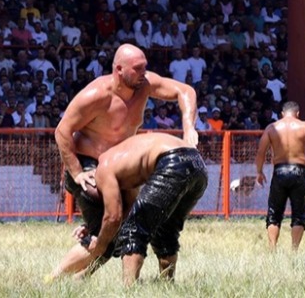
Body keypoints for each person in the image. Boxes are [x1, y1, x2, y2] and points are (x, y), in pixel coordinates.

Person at [50, 43, 198, 278]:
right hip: (89, 166)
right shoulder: (96, 94)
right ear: (119, 69)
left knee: (122, 229)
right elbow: (62, 131)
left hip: (118, 169)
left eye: (145, 67)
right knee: (107, 229)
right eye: (137, 69)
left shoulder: (145, 85)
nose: (143, 73)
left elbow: (186, 91)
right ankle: (53, 279)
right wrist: (77, 172)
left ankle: (80, 274)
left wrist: (188, 126)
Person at [83, 132, 207, 286]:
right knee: (165, 229)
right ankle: (167, 286)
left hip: (172, 161)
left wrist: (100, 246)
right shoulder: (122, 159)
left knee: (133, 230)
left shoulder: (103, 168)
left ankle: (129, 290)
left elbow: (113, 217)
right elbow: (129, 210)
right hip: (197, 162)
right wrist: (92, 228)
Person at [255, 101, 305, 250]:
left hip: (279, 171)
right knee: (299, 213)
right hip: (298, 170)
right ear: (298, 113)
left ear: (282, 114)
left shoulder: (272, 127)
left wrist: (259, 172)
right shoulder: (304, 126)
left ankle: (272, 247)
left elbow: (261, 152)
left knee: (274, 212)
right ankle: (294, 250)